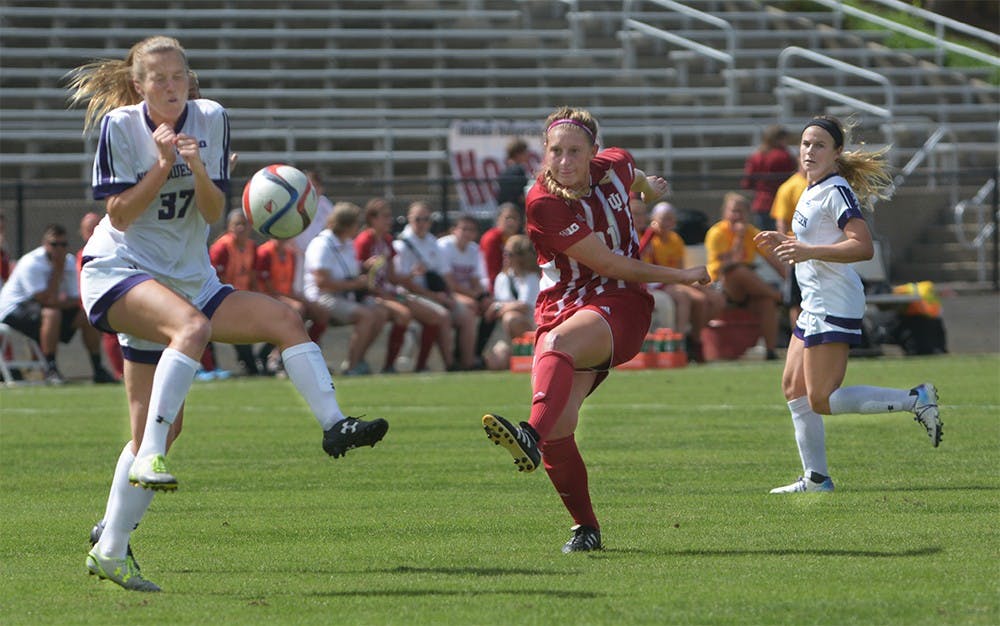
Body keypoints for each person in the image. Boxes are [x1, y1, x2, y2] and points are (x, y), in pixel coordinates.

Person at [67, 36, 388, 592]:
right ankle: (148, 460)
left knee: (284, 321)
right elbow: (117, 215)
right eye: (157, 79)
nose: (170, 87)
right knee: (191, 331)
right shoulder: (121, 127)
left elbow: (213, 211)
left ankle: (336, 426)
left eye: (178, 77)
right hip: (119, 271)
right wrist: (163, 163)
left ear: (190, 79)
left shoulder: (211, 118)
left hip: (189, 278)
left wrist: (194, 168)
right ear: (139, 85)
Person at [479, 106, 710, 553]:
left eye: (574, 152)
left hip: (622, 303)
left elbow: (631, 175)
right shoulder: (542, 201)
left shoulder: (616, 165)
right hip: (564, 305)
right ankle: (586, 529)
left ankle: (527, 434)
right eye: (555, 152)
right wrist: (680, 275)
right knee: (560, 429)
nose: (563, 161)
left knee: (557, 355)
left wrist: (647, 186)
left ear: (594, 154)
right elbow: (602, 260)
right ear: (543, 154)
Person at [753, 115, 942, 494]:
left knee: (821, 399)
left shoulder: (836, 189)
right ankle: (817, 478)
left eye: (820, 145)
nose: (809, 151)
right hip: (814, 302)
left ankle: (915, 399)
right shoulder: (810, 188)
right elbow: (818, 237)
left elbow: (862, 245)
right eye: (806, 144)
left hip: (833, 303)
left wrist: (806, 249)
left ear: (837, 153)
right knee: (794, 388)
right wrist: (788, 239)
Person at [0, 223, 117, 384]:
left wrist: (58, 300)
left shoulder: (68, 262)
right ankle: (50, 368)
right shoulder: (31, 262)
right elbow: (45, 300)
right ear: (45, 244)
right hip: (12, 309)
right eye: (54, 244)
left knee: (85, 315)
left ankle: (98, 369)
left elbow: (75, 299)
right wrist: (57, 270)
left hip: (46, 309)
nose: (59, 249)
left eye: (63, 244)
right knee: (52, 313)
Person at [303, 201, 389, 376]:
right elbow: (322, 282)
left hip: (343, 295)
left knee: (380, 314)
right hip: (322, 297)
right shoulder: (323, 244)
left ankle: (359, 359)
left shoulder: (347, 243)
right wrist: (355, 284)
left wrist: (365, 267)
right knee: (366, 316)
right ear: (346, 225)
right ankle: (352, 366)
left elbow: (349, 270)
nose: (359, 227)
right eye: (356, 223)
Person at [704, 192, 786, 360]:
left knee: (766, 302)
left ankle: (770, 351)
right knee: (738, 271)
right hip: (722, 285)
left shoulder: (752, 232)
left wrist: (790, 280)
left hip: (748, 287)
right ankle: (779, 296)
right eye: (733, 211)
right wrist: (739, 238)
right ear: (725, 213)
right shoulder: (717, 233)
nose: (737, 216)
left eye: (741, 211)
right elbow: (728, 264)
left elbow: (773, 260)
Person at [393, 201, 471, 371]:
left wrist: (448, 295)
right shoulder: (401, 245)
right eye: (417, 219)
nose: (422, 224)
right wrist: (434, 296)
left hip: (432, 294)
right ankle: (448, 364)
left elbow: (444, 275)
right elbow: (402, 281)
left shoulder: (432, 242)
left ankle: (469, 362)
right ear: (409, 219)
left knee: (466, 313)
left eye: (426, 219)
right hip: (407, 295)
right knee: (441, 316)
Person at [643, 202, 725, 362]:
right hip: (658, 281)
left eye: (670, 220)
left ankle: (693, 336)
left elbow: (680, 269)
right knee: (690, 298)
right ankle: (681, 344)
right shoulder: (649, 239)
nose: (667, 224)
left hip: (674, 279)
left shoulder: (676, 240)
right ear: (654, 220)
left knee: (715, 299)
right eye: (663, 220)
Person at [255, 234, 328, 374]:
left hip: (286, 296)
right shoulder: (265, 252)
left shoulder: (290, 254)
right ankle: (277, 355)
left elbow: (290, 287)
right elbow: (268, 287)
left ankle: (309, 352)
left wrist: (307, 301)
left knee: (321, 312)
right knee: (297, 310)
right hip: (268, 296)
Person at [209, 209, 260, 375]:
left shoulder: (252, 247)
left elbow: (252, 277)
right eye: (237, 224)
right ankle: (211, 367)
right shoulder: (221, 248)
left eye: (244, 224)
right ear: (229, 227)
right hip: (219, 297)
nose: (241, 228)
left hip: (242, 297)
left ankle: (259, 361)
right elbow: (216, 279)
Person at [437, 213, 490, 370]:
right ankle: (466, 360)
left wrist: (484, 297)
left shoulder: (474, 250)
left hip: (465, 294)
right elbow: (449, 284)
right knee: (470, 308)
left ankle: (476, 354)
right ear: (454, 230)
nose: (467, 233)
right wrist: (476, 297)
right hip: (445, 293)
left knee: (490, 308)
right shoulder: (444, 246)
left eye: (471, 230)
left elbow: (475, 279)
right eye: (464, 229)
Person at [482, 234, 540, 371]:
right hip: (503, 328)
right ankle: (514, 355)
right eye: (504, 253)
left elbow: (525, 306)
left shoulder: (532, 277)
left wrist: (500, 308)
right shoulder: (502, 277)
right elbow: (499, 302)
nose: (505, 257)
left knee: (511, 317)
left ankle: (530, 352)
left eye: (509, 254)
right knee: (495, 364)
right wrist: (499, 307)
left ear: (521, 256)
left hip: (529, 324)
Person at [79, 211, 125, 380]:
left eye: (95, 227)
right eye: (88, 229)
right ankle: (119, 372)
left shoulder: (117, 250)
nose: (92, 232)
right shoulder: (85, 255)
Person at [770, 168, 809, 327]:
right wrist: (787, 249)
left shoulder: (825, 185)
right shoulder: (789, 187)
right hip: (797, 250)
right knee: (797, 300)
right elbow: (782, 222)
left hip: (819, 250)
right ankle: (799, 340)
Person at [741, 124, 797, 231]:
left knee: (764, 243)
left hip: (761, 204)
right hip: (781, 205)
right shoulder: (784, 156)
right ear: (780, 138)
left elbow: (747, 183)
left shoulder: (756, 156)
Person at [479, 202, 523, 292]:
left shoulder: (519, 238)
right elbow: (490, 271)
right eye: (507, 218)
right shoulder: (491, 238)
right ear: (498, 219)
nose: (511, 222)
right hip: (491, 286)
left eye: (515, 218)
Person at [495, 138, 532, 215]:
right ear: (518, 154)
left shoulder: (505, 170)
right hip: (516, 213)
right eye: (525, 152)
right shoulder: (518, 170)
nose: (527, 155)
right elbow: (520, 196)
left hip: (503, 211)